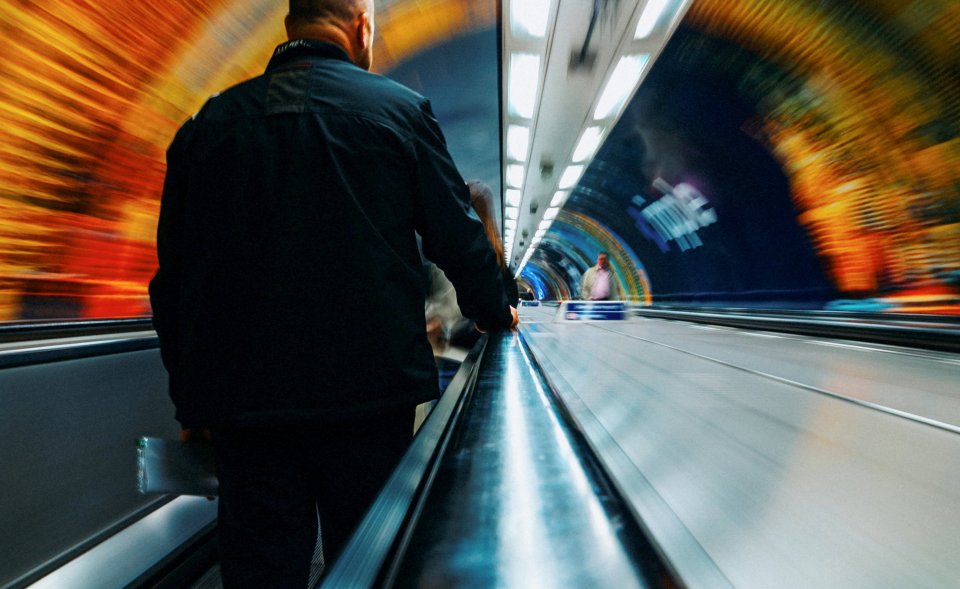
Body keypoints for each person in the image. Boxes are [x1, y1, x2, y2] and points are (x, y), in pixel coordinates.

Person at [148, 1, 518, 586]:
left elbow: (174, 281)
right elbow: (457, 236)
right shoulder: (398, 110)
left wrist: (190, 400)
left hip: (248, 406)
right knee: (371, 561)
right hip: (368, 401)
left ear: (289, 26)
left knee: (260, 573)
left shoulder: (207, 126)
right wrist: (497, 312)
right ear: (361, 27)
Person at [424, 180, 519, 355]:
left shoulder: (444, 254)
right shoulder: (495, 257)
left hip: (453, 347)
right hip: (486, 345)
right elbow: (510, 302)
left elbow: (437, 300)